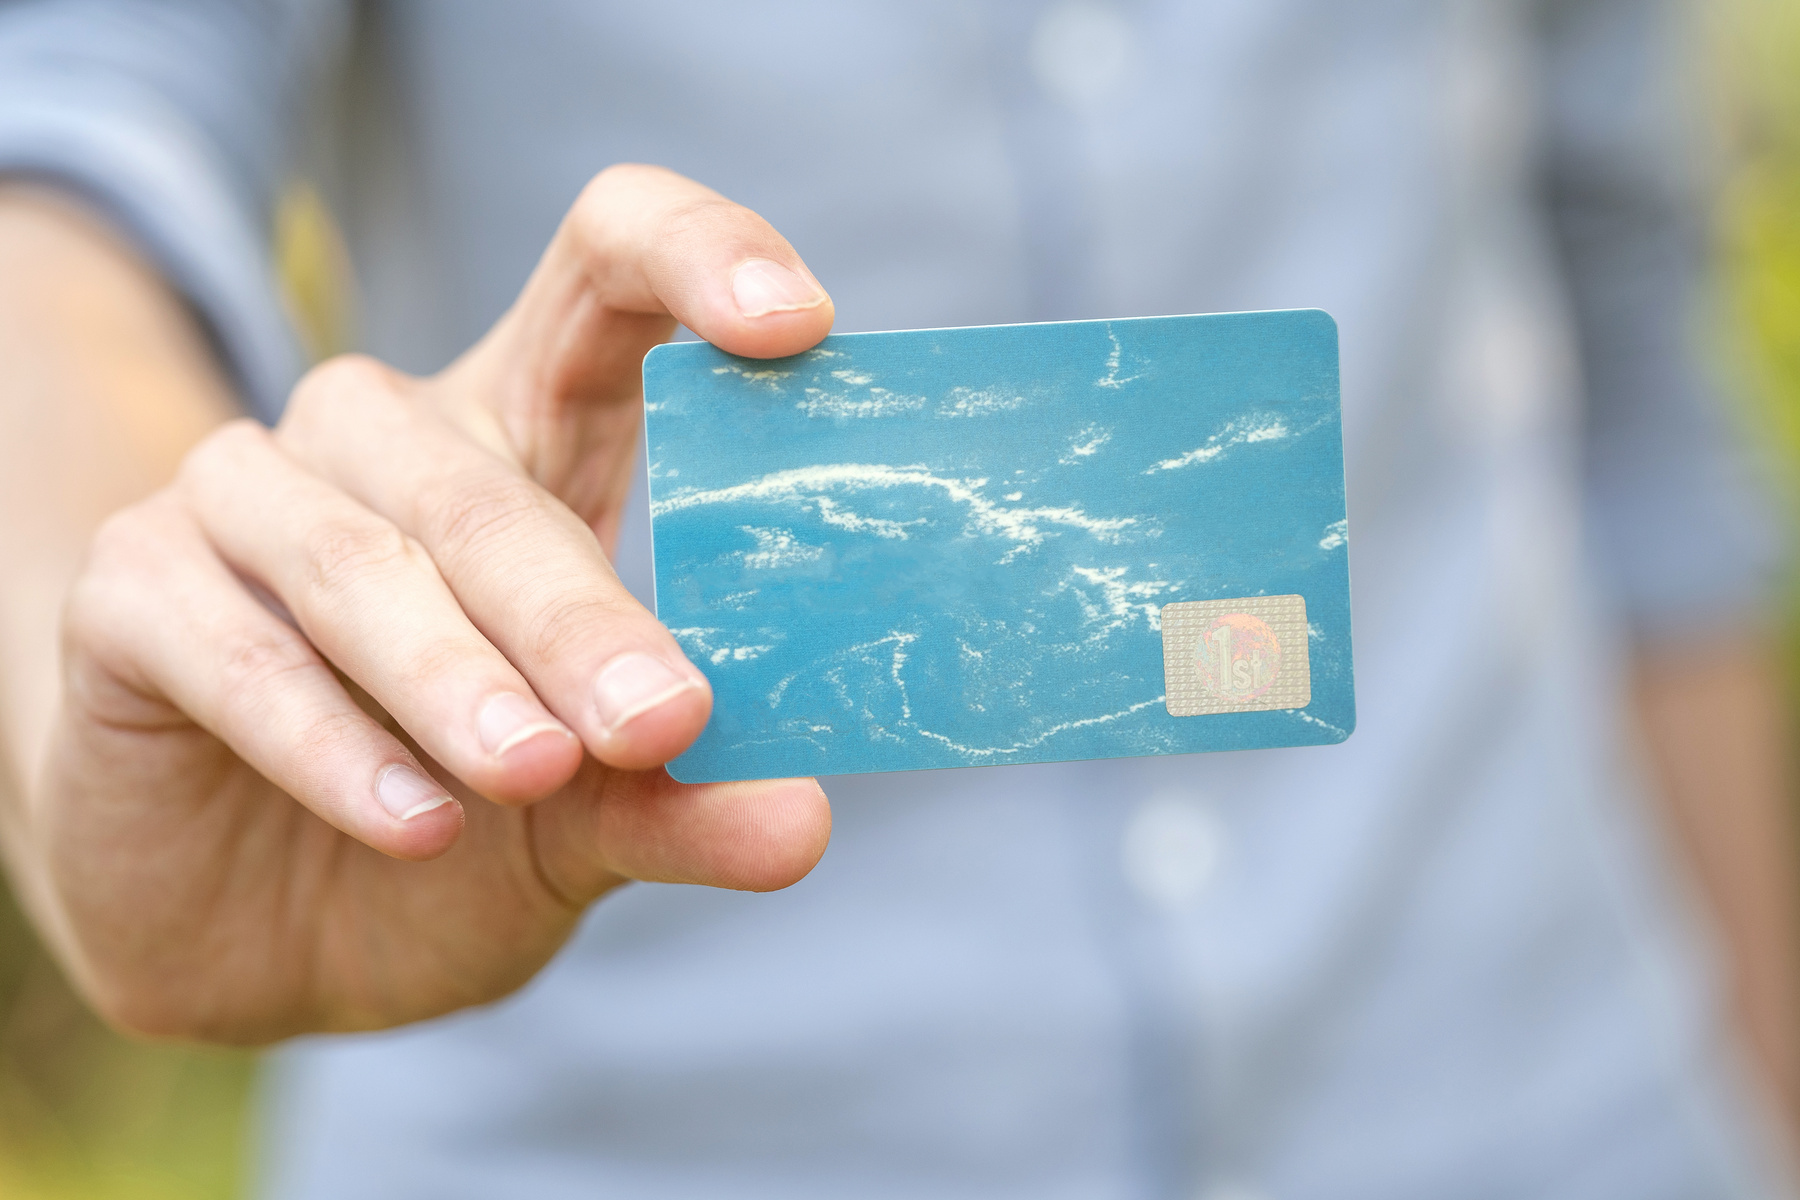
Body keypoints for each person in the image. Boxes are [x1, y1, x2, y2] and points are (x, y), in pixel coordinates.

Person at [0, 0, 1793, 1196]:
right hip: (625, 1109)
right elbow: (68, 149)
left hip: (1541, 1084)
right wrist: (139, 660)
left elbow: (1620, 368)